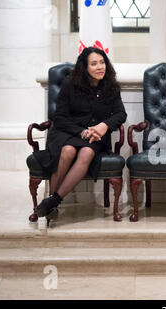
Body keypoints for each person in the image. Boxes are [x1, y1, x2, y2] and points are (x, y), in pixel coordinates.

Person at [32, 47, 127, 223]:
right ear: (85, 67)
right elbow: (59, 117)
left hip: (95, 137)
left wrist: (104, 125)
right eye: (94, 64)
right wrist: (81, 131)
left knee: (87, 152)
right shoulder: (70, 84)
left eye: (102, 62)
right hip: (67, 132)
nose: (100, 67)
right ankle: (52, 203)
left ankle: (52, 201)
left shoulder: (111, 86)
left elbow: (121, 114)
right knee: (67, 151)